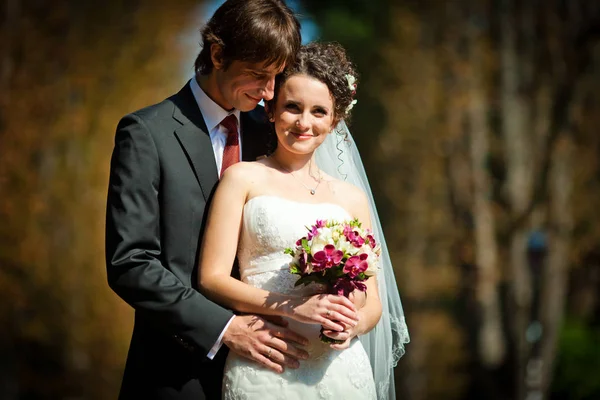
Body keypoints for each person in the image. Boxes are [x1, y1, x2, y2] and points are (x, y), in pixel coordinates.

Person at [105, 1, 304, 399]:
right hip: (177, 374)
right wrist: (224, 329)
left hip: (274, 373)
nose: (269, 92)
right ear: (217, 54)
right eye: (258, 75)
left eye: (276, 78)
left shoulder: (270, 134)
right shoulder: (146, 133)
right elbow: (131, 262)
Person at [198, 42, 408, 400]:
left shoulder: (351, 199)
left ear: (335, 119)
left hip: (341, 370)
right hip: (266, 360)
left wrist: (352, 325)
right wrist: (294, 305)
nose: (304, 123)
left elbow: (372, 302)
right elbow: (211, 279)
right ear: (271, 110)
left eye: (318, 112)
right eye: (292, 107)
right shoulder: (242, 179)